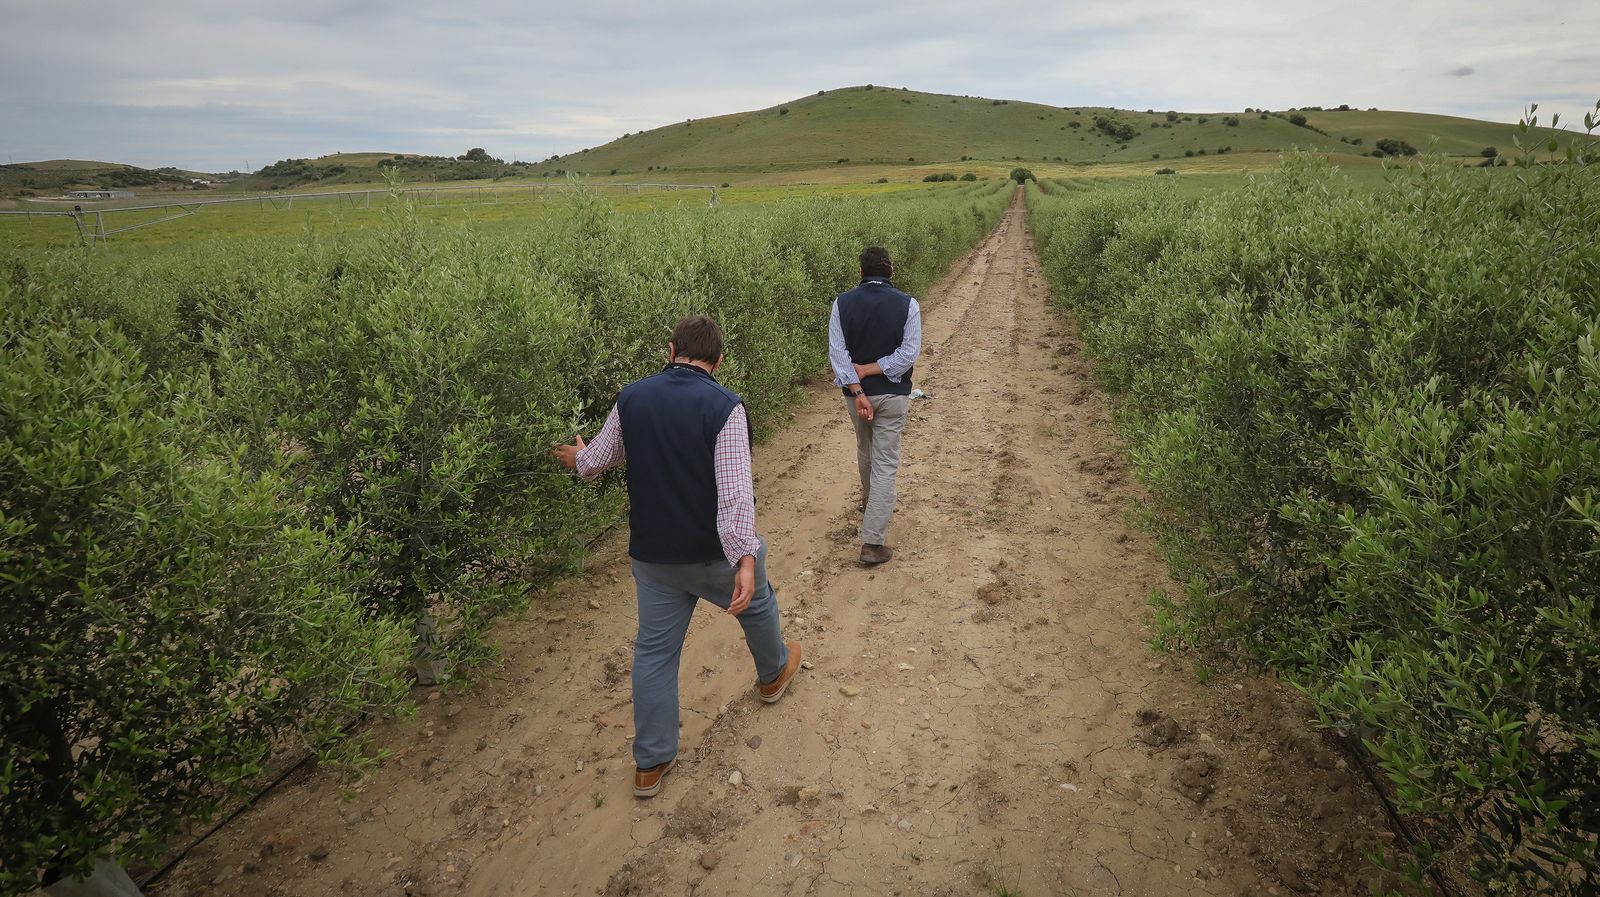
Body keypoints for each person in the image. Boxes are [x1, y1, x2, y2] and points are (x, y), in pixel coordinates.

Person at [552, 315, 803, 799]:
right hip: (711, 553)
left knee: (653, 653)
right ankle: (773, 676)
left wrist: (575, 457)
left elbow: (597, 459)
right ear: (718, 361)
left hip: (653, 556)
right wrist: (744, 559)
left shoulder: (633, 397)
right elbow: (734, 495)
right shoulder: (725, 407)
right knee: (757, 600)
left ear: (670, 351)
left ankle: (651, 762)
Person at [828, 246, 923, 566]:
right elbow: (909, 354)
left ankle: (871, 502)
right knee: (885, 462)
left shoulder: (842, 303)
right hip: (893, 395)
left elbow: (838, 354)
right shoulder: (908, 305)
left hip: (856, 398)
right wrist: (875, 369)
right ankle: (872, 541)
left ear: (861, 273)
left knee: (865, 450)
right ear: (891, 271)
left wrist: (858, 389)